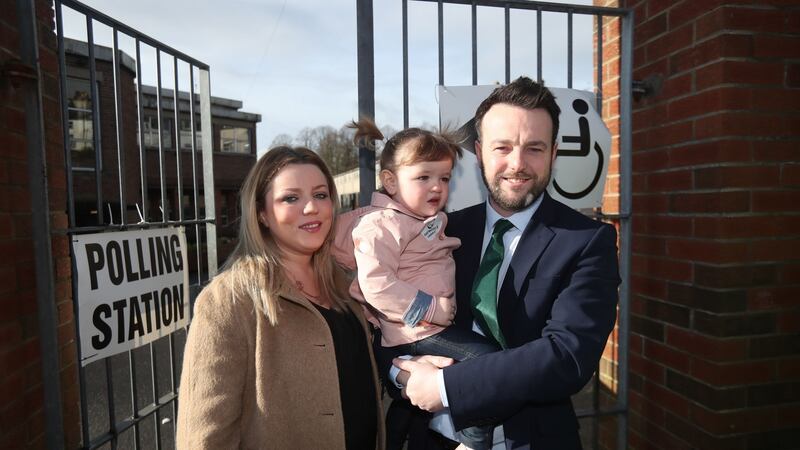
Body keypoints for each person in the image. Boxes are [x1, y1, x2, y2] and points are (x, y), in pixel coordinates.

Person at [394, 76, 621, 450]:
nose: (517, 164)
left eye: (534, 148)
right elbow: (391, 313)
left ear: (554, 154)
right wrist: (401, 374)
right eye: (503, 147)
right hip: (429, 436)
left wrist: (447, 387)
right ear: (480, 151)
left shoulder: (586, 240)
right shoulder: (441, 230)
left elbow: (567, 355)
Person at [176, 146, 385, 449]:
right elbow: (204, 438)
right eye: (291, 198)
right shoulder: (228, 301)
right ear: (262, 213)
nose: (312, 208)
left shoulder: (348, 286)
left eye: (320, 195)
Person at [333, 120, 498, 450]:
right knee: (487, 363)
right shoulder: (381, 224)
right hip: (416, 330)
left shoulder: (420, 220)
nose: (437, 187)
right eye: (423, 177)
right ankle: (473, 443)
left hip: (420, 329)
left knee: (410, 409)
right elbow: (376, 285)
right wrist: (434, 308)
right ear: (390, 182)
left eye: (444, 178)